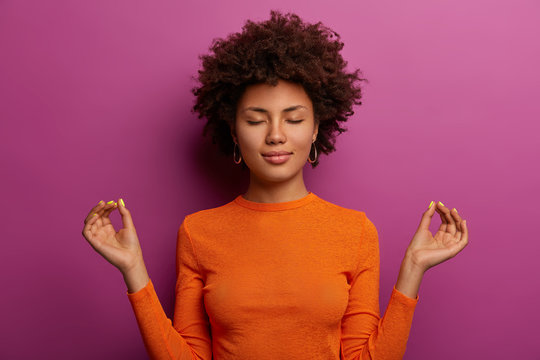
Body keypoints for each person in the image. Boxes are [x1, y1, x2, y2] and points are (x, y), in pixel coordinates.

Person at [81, 10, 469, 360]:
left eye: (294, 119)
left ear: (317, 127)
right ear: (233, 131)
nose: (276, 135)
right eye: (255, 120)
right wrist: (134, 271)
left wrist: (413, 270)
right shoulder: (198, 233)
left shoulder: (356, 232)